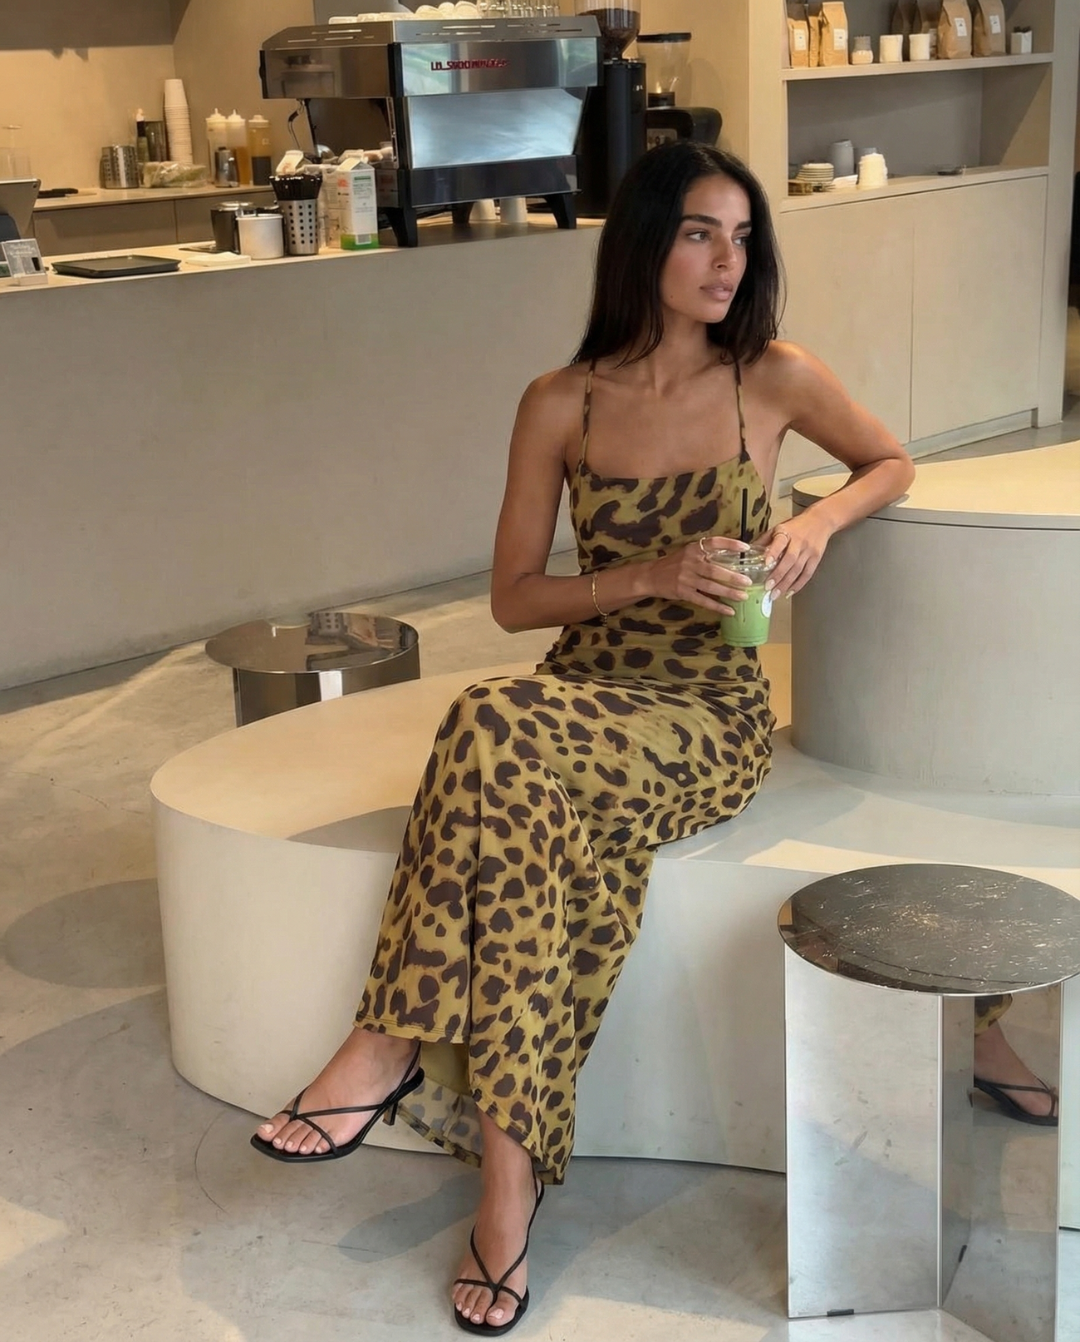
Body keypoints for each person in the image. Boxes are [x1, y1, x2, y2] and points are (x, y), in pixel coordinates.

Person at [250, 141, 925, 1336]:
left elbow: (891, 460)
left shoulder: (772, 376)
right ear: (644, 242)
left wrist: (819, 520)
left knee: (487, 722)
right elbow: (515, 599)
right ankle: (505, 1187)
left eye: (742, 237)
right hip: (582, 695)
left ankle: (390, 1038)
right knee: (509, 761)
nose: (728, 260)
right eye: (700, 233)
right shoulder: (560, 402)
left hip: (705, 715)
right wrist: (650, 574)